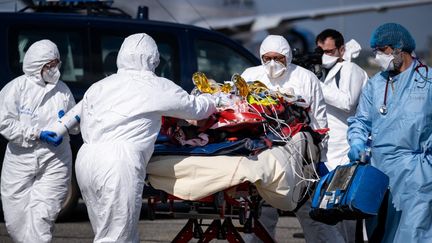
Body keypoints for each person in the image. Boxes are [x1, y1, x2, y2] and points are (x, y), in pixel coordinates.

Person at [74, 33, 218, 242]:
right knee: (117, 236)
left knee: (106, 231)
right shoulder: (155, 85)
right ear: (153, 58)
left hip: (86, 158)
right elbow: (195, 109)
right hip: (118, 162)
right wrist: (212, 97)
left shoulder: (100, 86)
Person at [347, 23, 432, 242]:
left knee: (414, 233)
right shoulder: (375, 84)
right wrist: (356, 142)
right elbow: (361, 121)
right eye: (375, 51)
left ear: (399, 48)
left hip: (417, 174)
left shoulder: (428, 82)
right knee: (380, 233)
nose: (377, 56)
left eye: (382, 50)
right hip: (378, 174)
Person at [241, 34, 329, 242]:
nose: (272, 63)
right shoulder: (250, 76)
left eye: (278, 58)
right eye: (267, 58)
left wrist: (320, 157)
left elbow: (319, 120)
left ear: (288, 57)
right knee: (261, 214)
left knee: (309, 213)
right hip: (262, 154)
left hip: (299, 157)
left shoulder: (305, 78)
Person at [0, 39, 78, 242]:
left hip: (56, 160)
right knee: (16, 222)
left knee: (43, 217)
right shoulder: (15, 89)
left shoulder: (63, 91)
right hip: (20, 160)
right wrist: (36, 134)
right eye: (50, 65)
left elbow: (77, 127)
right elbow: (4, 123)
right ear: (37, 65)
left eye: (57, 64)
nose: (55, 69)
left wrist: (71, 121)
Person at [315, 29, 369, 243]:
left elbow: (348, 102)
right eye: (321, 51)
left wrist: (315, 85)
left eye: (329, 51)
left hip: (346, 150)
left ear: (341, 49)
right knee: (326, 214)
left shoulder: (350, 69)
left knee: (346, 212)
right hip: (326, 151)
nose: (325, 55)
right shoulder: (321, 71)